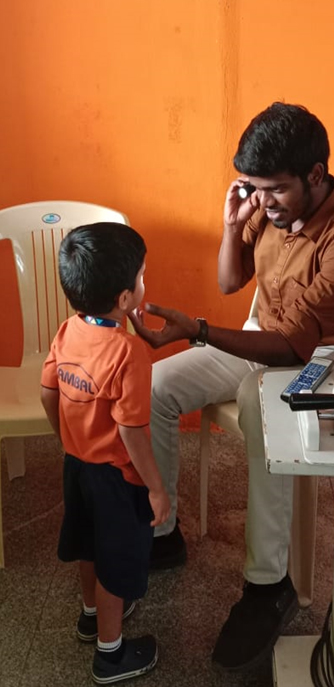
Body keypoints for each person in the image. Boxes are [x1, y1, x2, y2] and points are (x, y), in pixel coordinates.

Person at [131, 101, 334, 671]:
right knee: (156, 386)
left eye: (275, 189)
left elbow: (290, 345)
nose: (265, 201)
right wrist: (233, 225)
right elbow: (231, 281)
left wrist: (200, 331)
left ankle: (267, 584)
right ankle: (164, 535)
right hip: (258, 340)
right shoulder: (267, 208)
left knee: (261, 412)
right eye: (255, 189)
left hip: (319, 361)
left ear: (315, 175)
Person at [40, 222, 170, 685]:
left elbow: (48, 393)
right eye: (142, 276)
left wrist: (68, 439)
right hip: (117, 479)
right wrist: (156, 488)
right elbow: (132, 432)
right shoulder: (129, 353)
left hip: (76, 467)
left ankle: (90, 616)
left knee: (88, 544)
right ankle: (110, 655)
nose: (144, 282)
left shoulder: (68, 330)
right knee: (116, 564)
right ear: (124, 297)